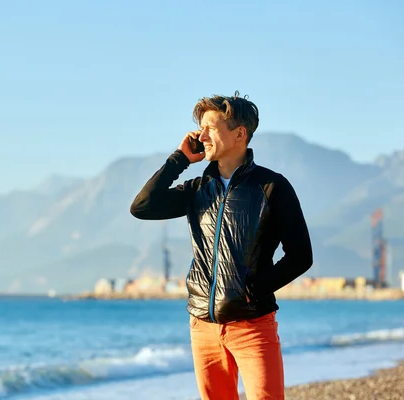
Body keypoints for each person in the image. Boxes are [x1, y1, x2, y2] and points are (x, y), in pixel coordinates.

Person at [129, 91, 313, 400]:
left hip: (253, 325)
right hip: (203, 325)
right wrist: (179, 160)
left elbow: (300, 255)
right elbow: (142, 207)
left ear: (240, 134)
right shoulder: (197, 190)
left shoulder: (271, 187)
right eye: (200, 128)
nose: (201, 136)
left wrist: (255, 288)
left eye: (210, 128)